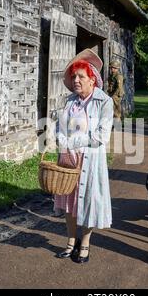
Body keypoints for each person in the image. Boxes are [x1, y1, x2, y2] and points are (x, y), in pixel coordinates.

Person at [54, 49, 114, 264]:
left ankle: (85, 242)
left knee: (88, 202)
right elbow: (58, 127)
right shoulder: (69, 101)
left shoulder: (104, 102)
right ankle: (71, 241)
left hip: (89, 159)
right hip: (69, 160)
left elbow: (101, 136)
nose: (76, 80)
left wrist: (73, 142)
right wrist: (61, 140)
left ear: (92, 80)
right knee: (69, 203)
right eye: (74, 76)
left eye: (81, 76)